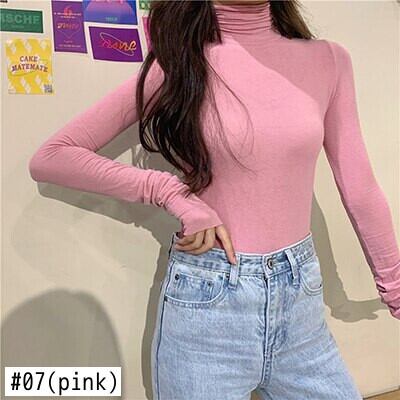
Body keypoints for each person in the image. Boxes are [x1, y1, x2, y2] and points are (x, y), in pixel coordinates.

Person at [28, 0, 400, 399]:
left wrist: (394, 287)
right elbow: (54, 156)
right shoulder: (180, 64)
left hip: (301, 305)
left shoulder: (328, 60)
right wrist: (169, 192)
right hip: (208, 306)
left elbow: (359, 186)